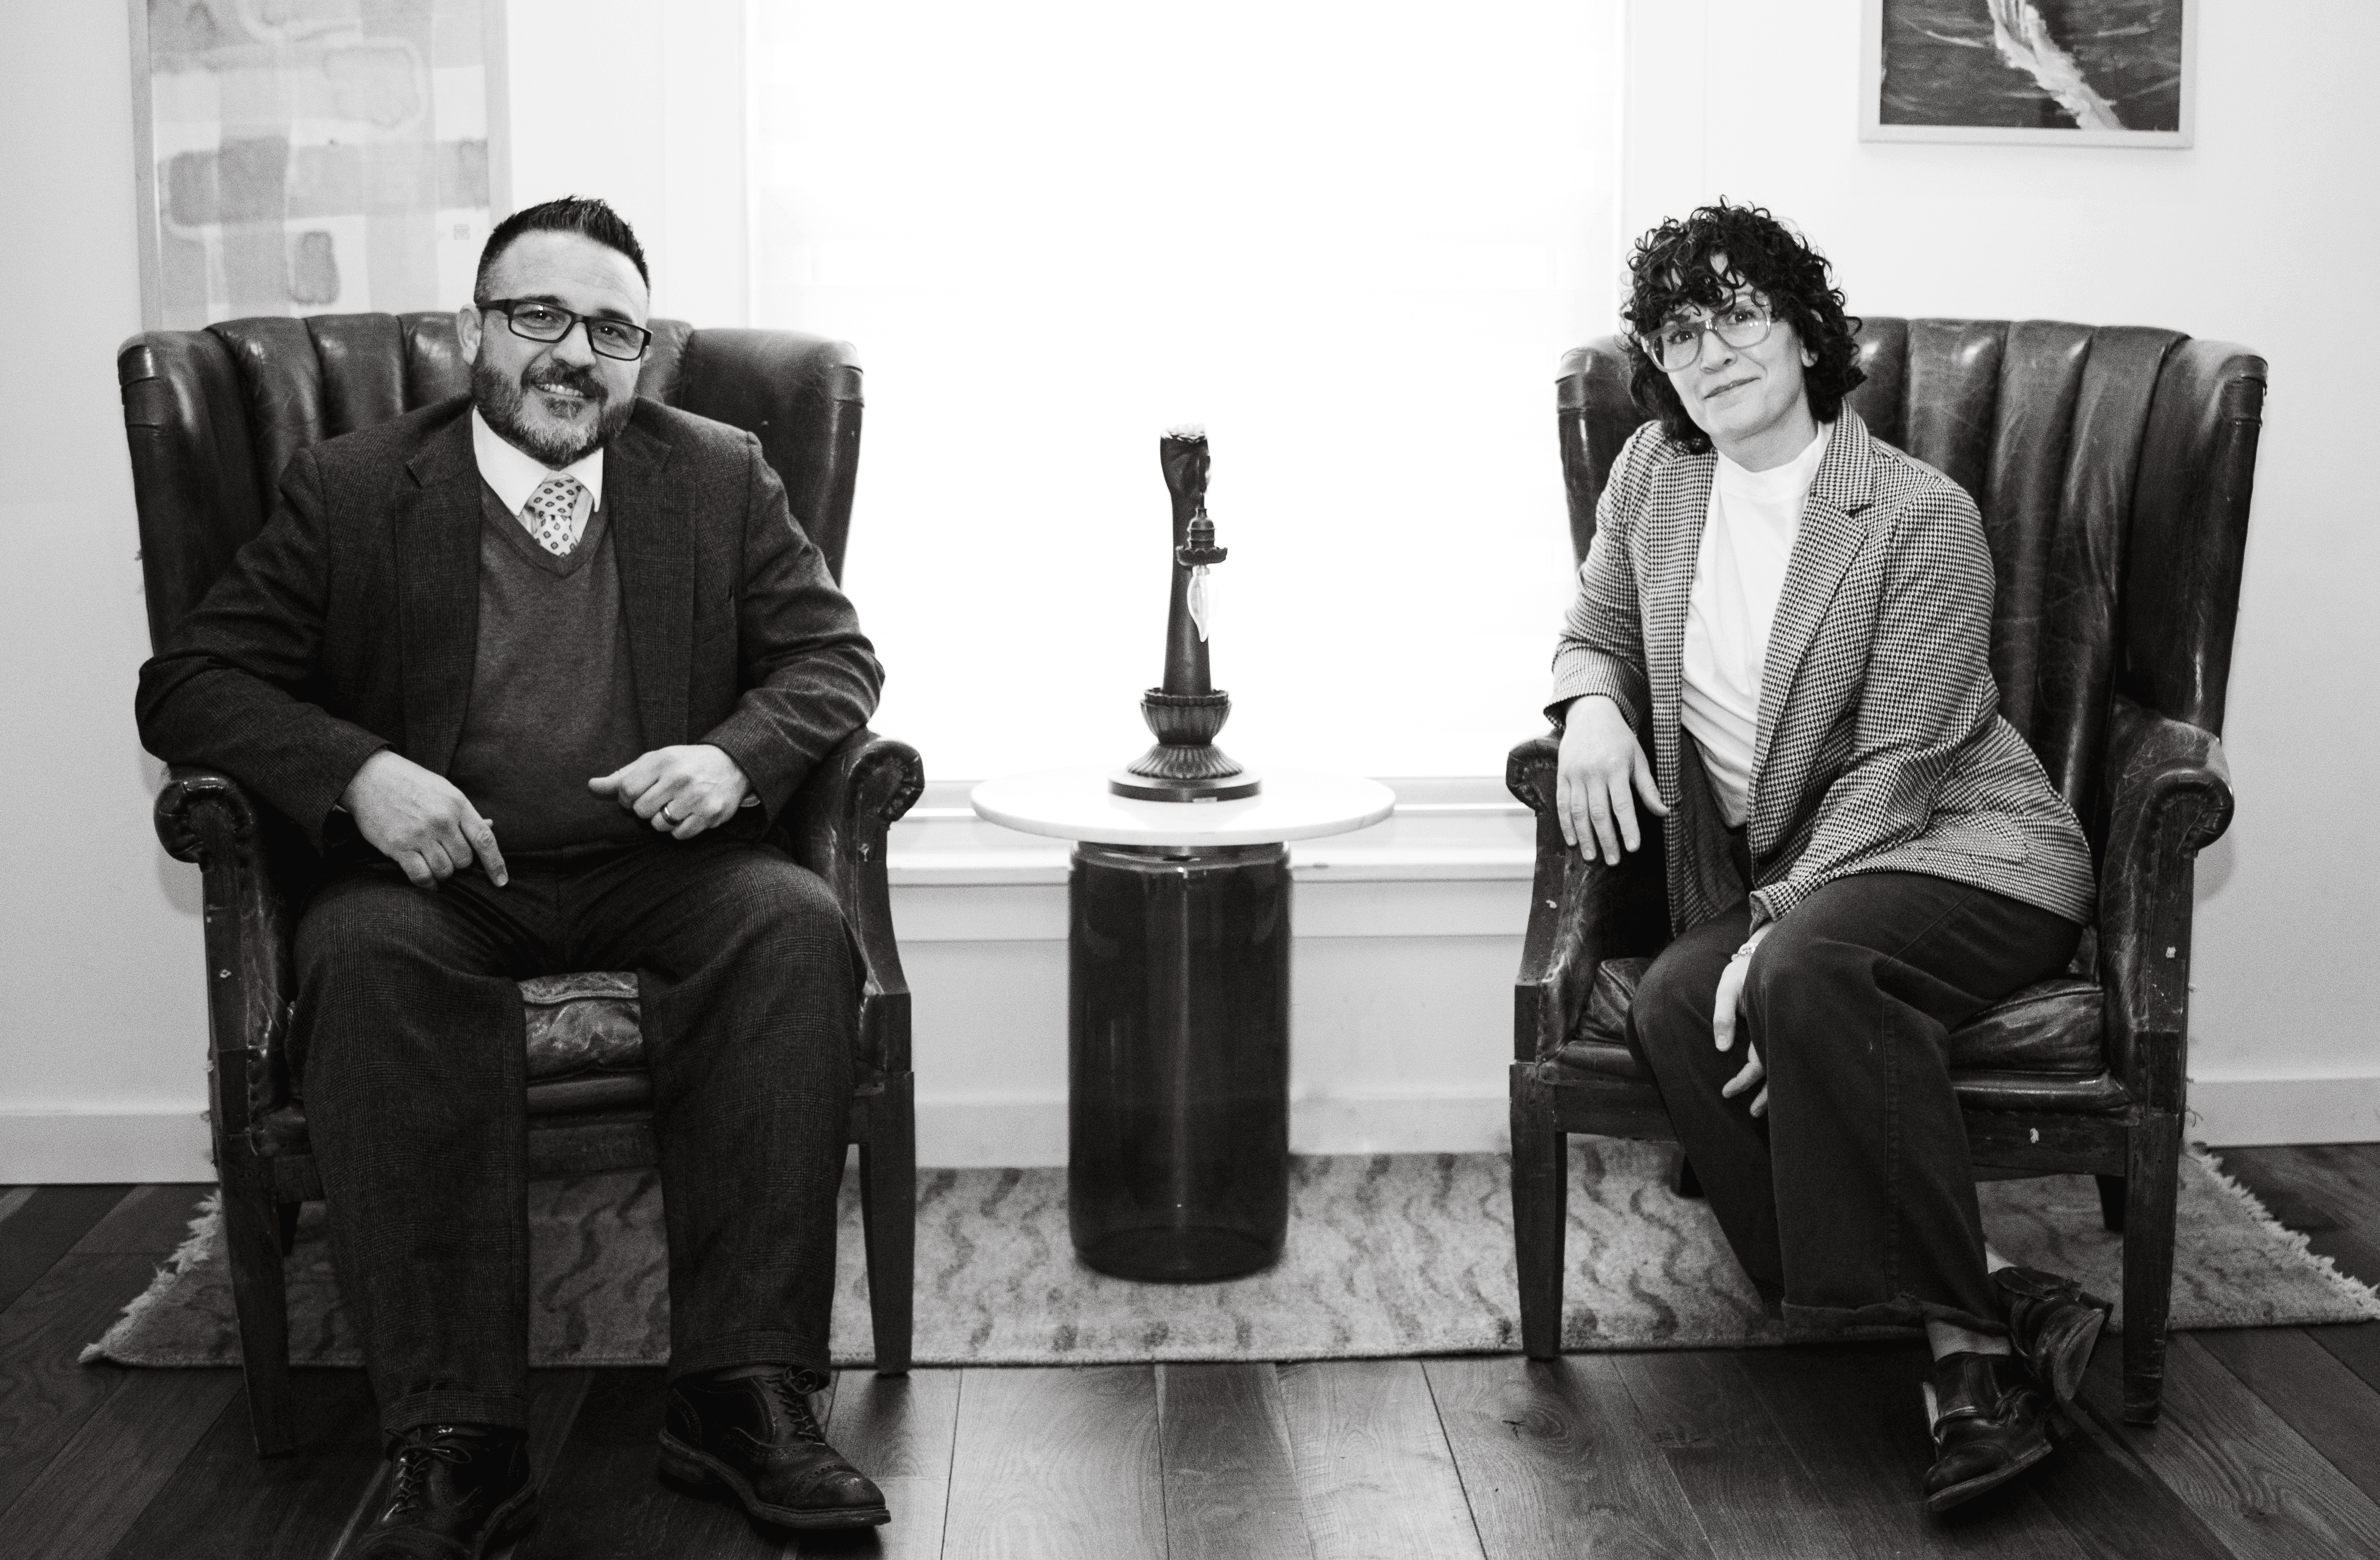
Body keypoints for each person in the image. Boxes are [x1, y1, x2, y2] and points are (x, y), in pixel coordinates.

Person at [136, 196, 891, 1551]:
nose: (573, 351)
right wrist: (357, 770)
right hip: (437, 882)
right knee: (364, 964)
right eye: (538, 314)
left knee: (792, 924)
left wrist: (734, 755)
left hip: (661, 866)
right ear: (475, 331)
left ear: (640, 353)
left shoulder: (716, 474)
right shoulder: (357, 489)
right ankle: (460, 1438)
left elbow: (835, 660)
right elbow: (189, 683)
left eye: (612, 327)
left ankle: (741, 1397)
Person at [1549, 199, 2113, 1515]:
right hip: (1792, 881)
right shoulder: (1654, 475)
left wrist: (1770, 928)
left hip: (1965, 851)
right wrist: (1585, 703)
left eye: (1737, 312)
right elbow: (1593, 627)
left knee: (1794, 974)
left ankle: (1966, 1369)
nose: (1710, 348)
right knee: (1682, 1009)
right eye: (1676, 329)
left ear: (1804, 332)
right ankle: (1997, 1294)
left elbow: (1901, 767)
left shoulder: (1914, 514)